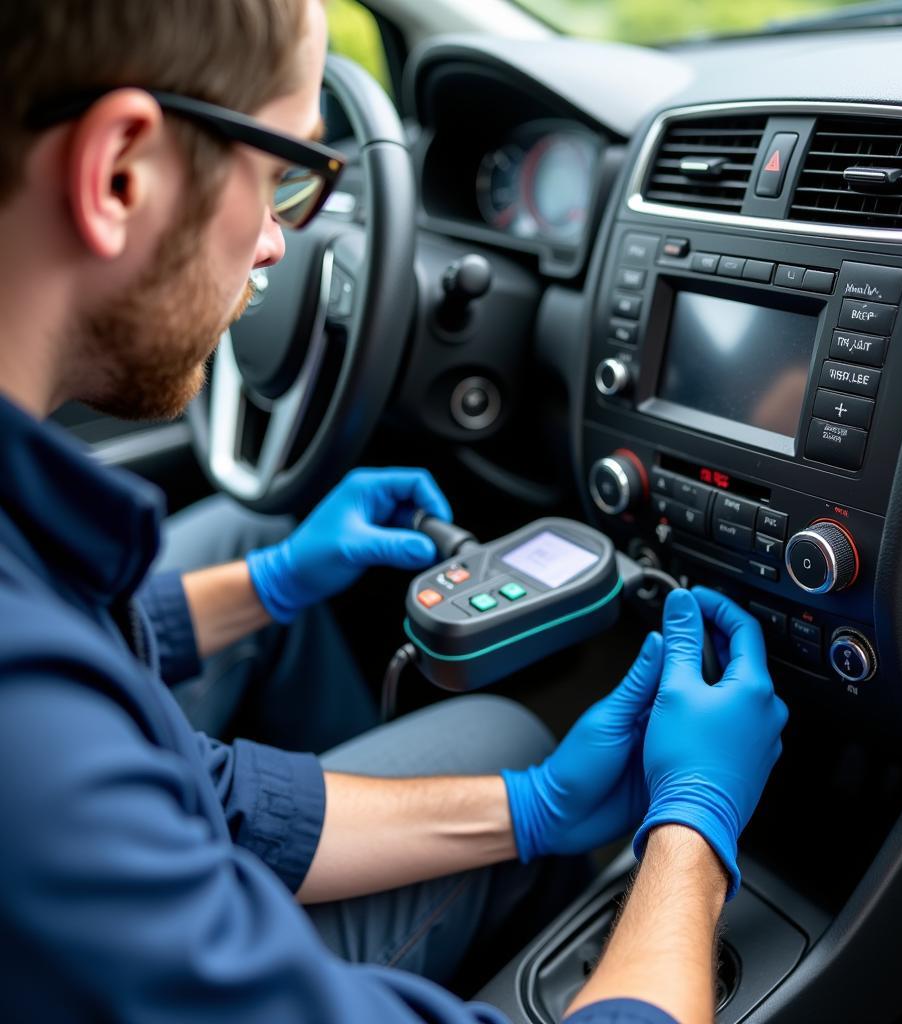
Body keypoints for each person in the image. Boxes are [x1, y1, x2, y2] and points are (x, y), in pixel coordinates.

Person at [0, 2, 789, 1023]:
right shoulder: (39, 759)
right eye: (282, 174)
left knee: (506, 750)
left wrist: (533, 805)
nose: (282, 244)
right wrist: (694, 835)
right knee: (501, 728)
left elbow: (193, 790)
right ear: (120, 174)